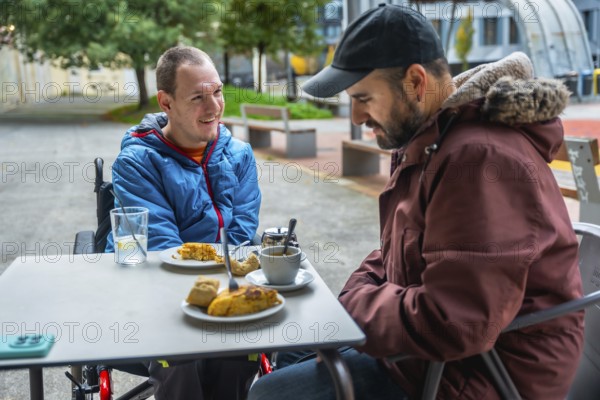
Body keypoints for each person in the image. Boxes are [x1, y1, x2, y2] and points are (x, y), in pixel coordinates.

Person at [249, 4, 583, 400]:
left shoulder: (478, 160)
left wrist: (354, 307)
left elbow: (455, 322)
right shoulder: (433, 142)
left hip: (482, 373)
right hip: (439, 355)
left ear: (414, 82)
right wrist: (351, 299)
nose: (356, 116)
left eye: (363, 97)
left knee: (271, 393)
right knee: (293, 349)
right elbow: (396, 249)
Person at [106, 46, 262, 399]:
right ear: (166, 103)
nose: (214, 107)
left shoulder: (239, 155)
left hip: (222, 290)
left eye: (217, 92)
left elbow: (240, 235)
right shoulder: (136, 164)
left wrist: (223, 296)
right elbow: (164, 251)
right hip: (159, 294)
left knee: (241, 351)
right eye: (197, 97)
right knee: (180, 355)